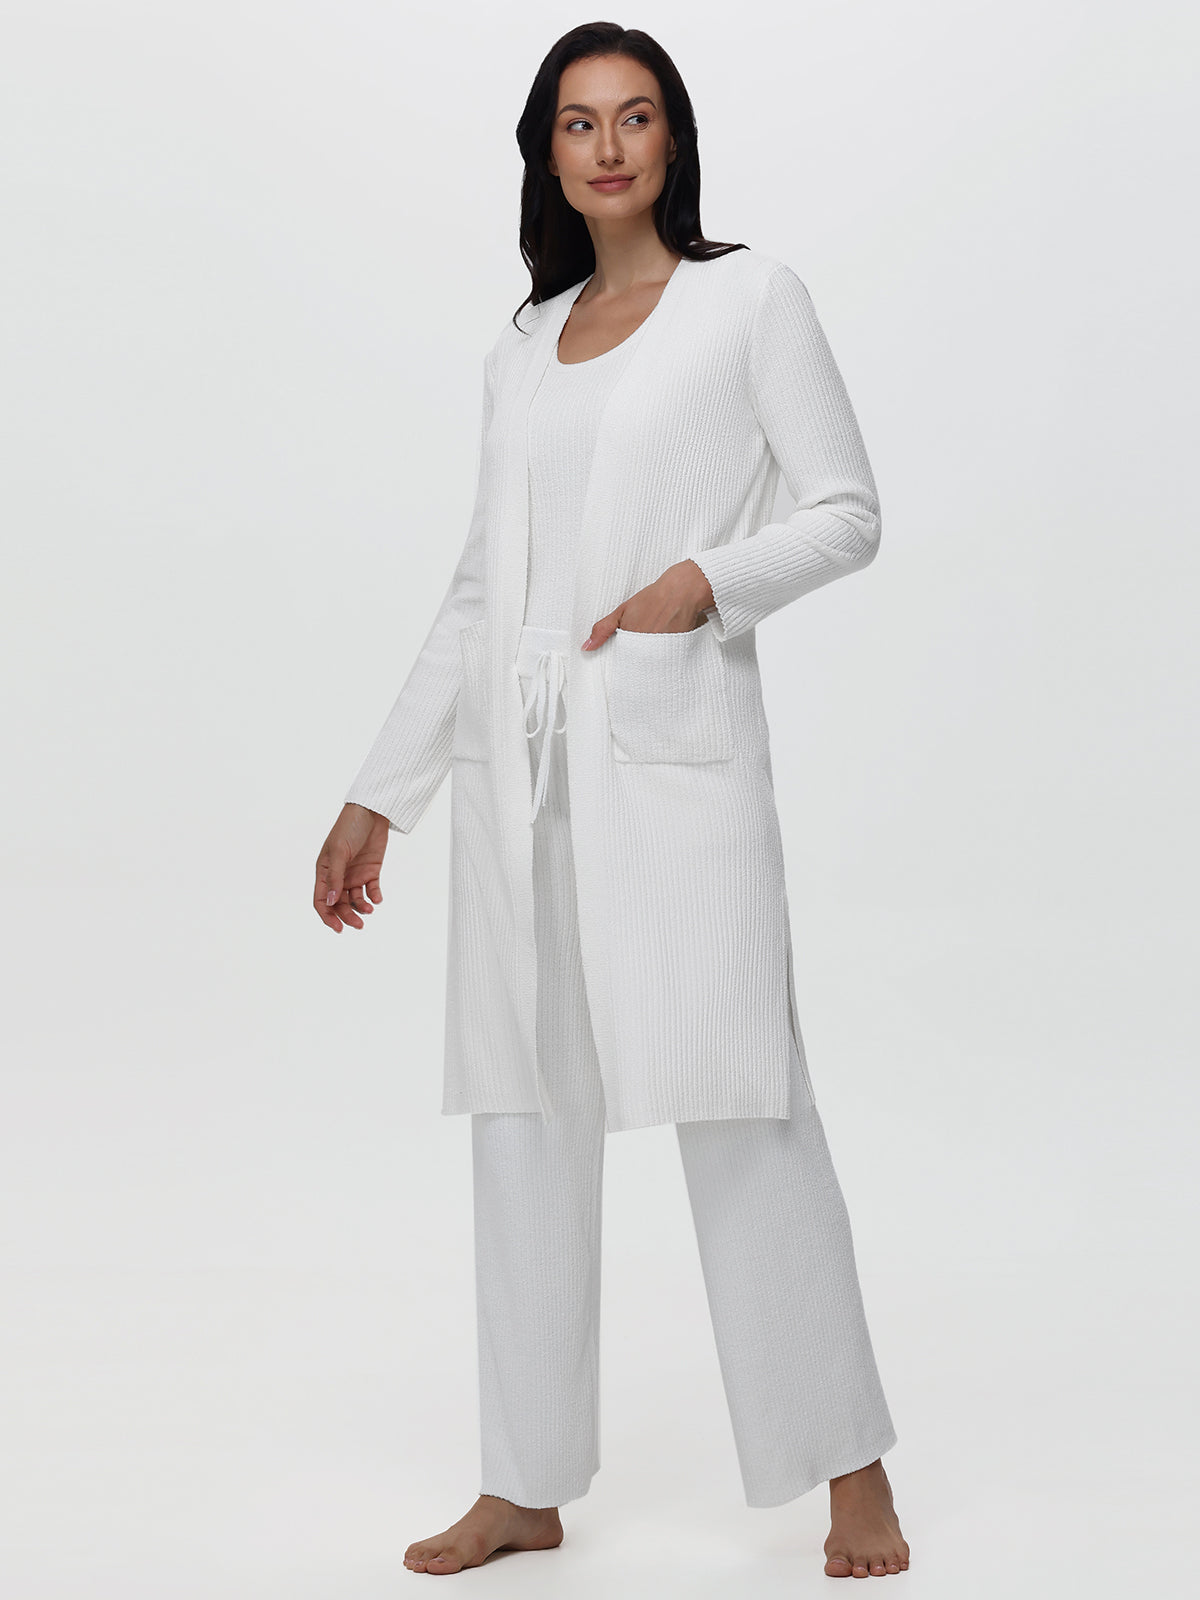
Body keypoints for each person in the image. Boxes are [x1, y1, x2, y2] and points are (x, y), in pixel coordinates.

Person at [313, 22, 910, 1582]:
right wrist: (381, 795)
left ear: (673, 138)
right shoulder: (525, 343)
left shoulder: (748, 300)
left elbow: (848, 510)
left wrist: (701, 581)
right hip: (517, 781)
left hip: (667, 758)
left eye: (636, 117)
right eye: (579, 124)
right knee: (522, 1121)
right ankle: (523, 1485)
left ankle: (851, 1471)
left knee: (743, 1102)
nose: (609, 147)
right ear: (547, 153)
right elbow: (477, 588)